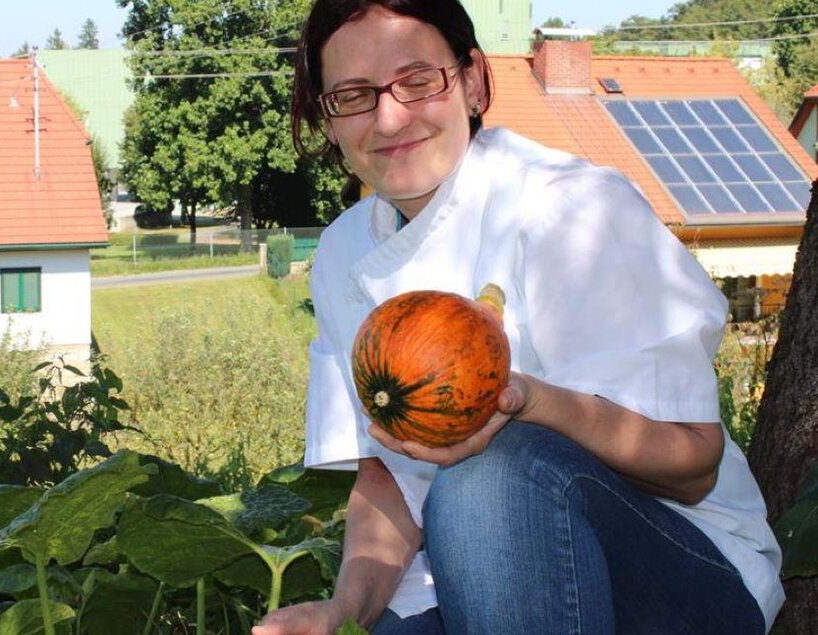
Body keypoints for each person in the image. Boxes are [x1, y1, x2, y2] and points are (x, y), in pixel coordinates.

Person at [252, 1, 784, 633]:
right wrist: (344, 610)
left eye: (418, 81)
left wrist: (524, 402)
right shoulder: (341, 252)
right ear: (329, 117)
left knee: (489, 478)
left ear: (473, 80)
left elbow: (692, 465)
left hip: (684, 570)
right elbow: (386, 475)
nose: (389, 117)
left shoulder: (573, 208)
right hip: (462, 570)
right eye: (353, 95)